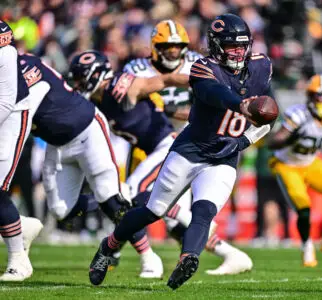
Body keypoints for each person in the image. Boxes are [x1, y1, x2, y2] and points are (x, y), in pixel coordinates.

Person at [88, 14, 275, 290]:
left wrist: (241, 142)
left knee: (204, 211)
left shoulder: (261, 66)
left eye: (242, 45)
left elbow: (268, 117)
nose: (238, 52)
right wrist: (243, 106)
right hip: (189, 150)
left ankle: (188, 258)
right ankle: (109, 245)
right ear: (215, 46)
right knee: (153, 209)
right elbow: (216, 94)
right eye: (231, 46)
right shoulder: (203, 68)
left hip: (224, 156)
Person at [22, 51, 169, 279]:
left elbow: (155, 82)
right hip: (57, 144)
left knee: (109, 195)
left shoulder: (115, 86)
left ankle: (149, 256)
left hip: (87, 132)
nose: (78, 84)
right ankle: (116, 201)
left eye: (81, 79)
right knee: (61, 210)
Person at [122, 19, 253, 275]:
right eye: (167, 46)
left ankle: (146, 258)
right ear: (154, 46)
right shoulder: (137, 67)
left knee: (148, 200)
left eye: (177, 45)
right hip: (146, 140)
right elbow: (129, 101)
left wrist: (167, 107)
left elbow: (209, 110)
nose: (172, 51)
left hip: (186, 140)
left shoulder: (198, 64)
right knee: (152, 206)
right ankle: (228, 253)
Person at [267, 74, 322, 267]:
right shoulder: (298, 115)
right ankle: (307, 247)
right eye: (317, 95)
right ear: (309, 96)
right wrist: (291, 136)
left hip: (310, 162)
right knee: (304, 210)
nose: (321, 100)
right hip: (287, 165)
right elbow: (272, 142)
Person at [0, 20, 43, 282]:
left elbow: (6, 98)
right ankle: (21, 226)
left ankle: (19, 260)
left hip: (13, 112)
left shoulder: (4, 47)